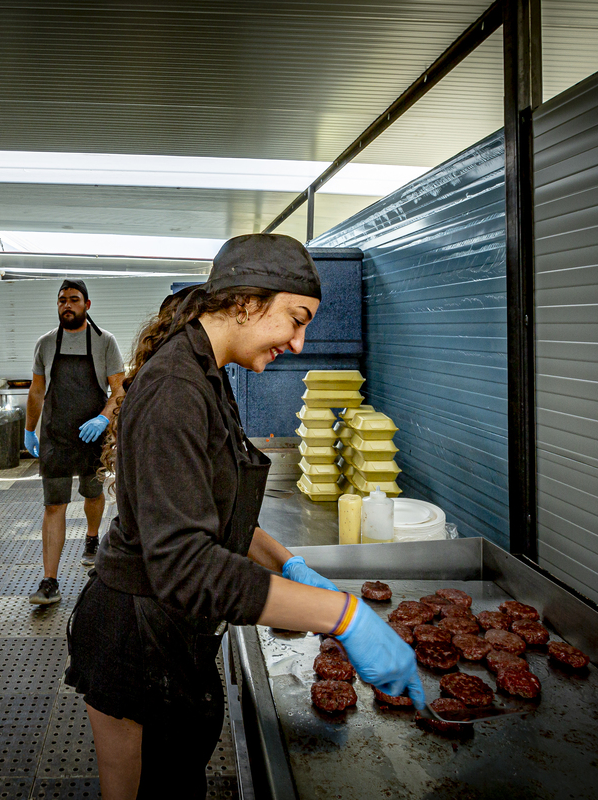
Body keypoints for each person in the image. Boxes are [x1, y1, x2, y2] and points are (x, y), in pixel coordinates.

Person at [65, 234, 426, 799]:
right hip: (134, 633)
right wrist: (343, 616)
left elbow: (212, 509)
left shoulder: (207, 373)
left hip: (169, 628)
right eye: (295, 319)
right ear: (243, 303)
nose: (301, 343)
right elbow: (185, 565)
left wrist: (290, 564)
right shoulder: (174, 389)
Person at [25, 279, 125, 605]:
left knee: (93, 494)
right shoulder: (44, 344)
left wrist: (104, 419)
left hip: (92, 437)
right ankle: (50, 581)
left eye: (73, 300)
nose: (67, 305)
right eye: (62, 300)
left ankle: (93, 538)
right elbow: (37, 391)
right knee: (54, 505)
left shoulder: (104, 342)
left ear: (87, 305)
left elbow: (119, 390)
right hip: (55, 436)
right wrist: (29, 429)